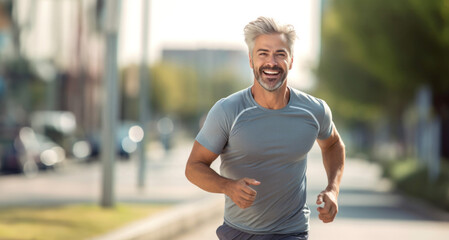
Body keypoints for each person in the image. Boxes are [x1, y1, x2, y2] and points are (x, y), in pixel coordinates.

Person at [185, 16, 345, 240]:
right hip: (238, 233)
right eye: (263, 54)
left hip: (293, 232)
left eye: (280, 54)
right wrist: (228, 186)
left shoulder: (314, 110)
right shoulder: (228, 110)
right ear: (251, 60)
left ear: (290, 61)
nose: (272, 62)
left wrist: (332, 189)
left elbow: (333, 144)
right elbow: (193, 167)